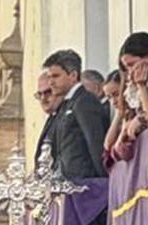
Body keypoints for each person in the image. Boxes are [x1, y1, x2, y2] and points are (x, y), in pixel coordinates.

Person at [104, 33, 148, 168]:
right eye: (127, 68)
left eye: (132, 64)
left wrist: (141, 86)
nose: (130, 72)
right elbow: (108, 144)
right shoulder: (145, 82)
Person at [43, 49, 110, 178]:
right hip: (66, 183)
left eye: (56, 76)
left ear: (73, 75)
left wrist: (104, 180)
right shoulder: (66, 104)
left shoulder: (85, 101)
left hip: (85, 182)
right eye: (49, 77)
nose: (50, 82)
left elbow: (95, 143)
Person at [34, 73, 60, 164]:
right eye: (39, 94)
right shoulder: (51, 118)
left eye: (48, 92)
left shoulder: (66, 118)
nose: (43, 98)